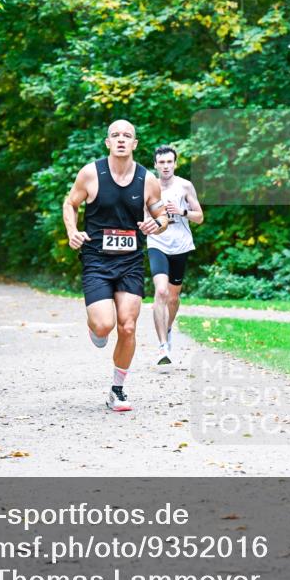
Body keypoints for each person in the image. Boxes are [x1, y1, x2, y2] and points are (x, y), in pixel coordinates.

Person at [62, 120, 167, 411]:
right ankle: (96, 328)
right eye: (115, 135)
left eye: (127, 136)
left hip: (131, 261)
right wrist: (72, 232)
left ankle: (117, 390)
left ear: (134, 144)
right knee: (104, 324)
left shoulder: (147, 179)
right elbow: (70, 204)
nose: (121, 140)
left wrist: (155, 225)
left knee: (129, 326)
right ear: (108, 142)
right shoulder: (91, 174)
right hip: (96, 259)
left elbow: (162, 215)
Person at [147, 145, 203, 364]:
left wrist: (182, 212)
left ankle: (168, 328)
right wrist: (155, 221)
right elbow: (143, 214)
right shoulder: (149, 186)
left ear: (175, 163)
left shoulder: (185, 185)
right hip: (157, 243)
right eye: (161, 163)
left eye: (169, 162)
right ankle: (162, 348)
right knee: (160, 291)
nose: (166, 166)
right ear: (155, 165)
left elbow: (199, 217)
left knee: (173, 297)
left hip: (180, 246)